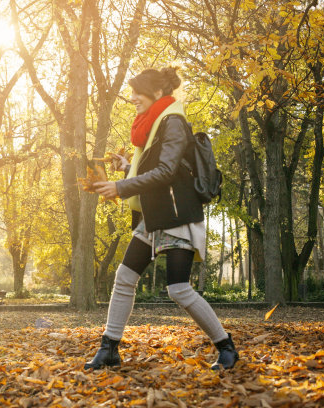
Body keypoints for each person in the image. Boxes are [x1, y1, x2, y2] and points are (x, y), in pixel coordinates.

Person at [86, 67, 239, 371]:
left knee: (178, 289)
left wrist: (120, 186)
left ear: (157, 93)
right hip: (154, 213)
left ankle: (226, 347)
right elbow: (156, 167)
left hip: (176, 214)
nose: (131, 99)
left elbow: (167, 173)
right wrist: (128, 166)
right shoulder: (156, 122)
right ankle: (109, 348)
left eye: (136, 92)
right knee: (125, 278)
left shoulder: (173, 122)